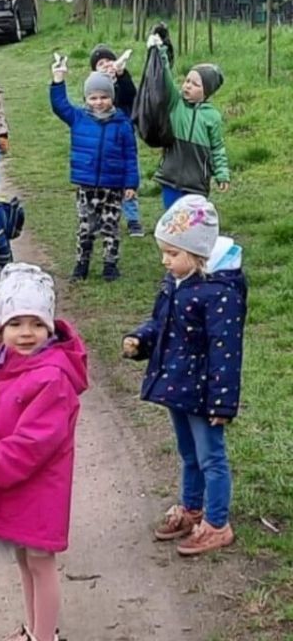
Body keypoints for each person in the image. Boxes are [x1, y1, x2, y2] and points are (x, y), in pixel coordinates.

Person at [0, 263, 88, 641]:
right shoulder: (7, 366)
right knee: (24, 559)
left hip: (38, 489)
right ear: (1, 327)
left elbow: (30, 445)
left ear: (50, 326)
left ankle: (45, 636)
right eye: (16, 323)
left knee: (40, 563)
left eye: (36, 323)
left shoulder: (52, 378)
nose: (26, 332)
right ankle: (34, 630)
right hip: (15, 487)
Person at [122, 195, 246, 556]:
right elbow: (161, 323)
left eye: (172, 253)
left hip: (204, 390)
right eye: (164, 252)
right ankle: (192, 508)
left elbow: (226, 352)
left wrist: (222, 402)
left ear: (197, 253)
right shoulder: (176, 281)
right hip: (177, 383)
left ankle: (217, 524)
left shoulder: (220, 293)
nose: (165, 260)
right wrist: (140, 339)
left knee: (211, 457)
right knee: (188, 452)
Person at [50, 55, 139, 282]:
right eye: (93, 97)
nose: (99, 102)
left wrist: (131, 184)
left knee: (111, 225)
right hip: (86, 184)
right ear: (86, 98)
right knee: (86, 227)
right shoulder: (78, 118)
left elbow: (130, 155)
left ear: (112, 97)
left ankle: (110, 264)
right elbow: (60, 106)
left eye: (104, 97)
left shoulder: (123, 123)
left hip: (113, 186)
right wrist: (58, 80)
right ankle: (82, 264)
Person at [146, 33, 229, 210]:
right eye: (187, 81)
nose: (187, 86)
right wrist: (160, 52)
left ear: (206, 91)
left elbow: (217, 148)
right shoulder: (176, 103)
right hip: (171, 177)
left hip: (196, 183)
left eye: (195, 84)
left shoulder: (212, 116)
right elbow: (166, 79)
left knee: (191, 220)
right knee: (173, 216)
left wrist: (222, 174)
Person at [90, 44, 143, 237]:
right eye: (100, 63)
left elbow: (132, 97)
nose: (106, 65)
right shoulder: (93, 88)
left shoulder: (122, 82)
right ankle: (102, 217)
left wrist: (121, 75)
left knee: (129, 179)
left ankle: (133, 219)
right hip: (102, 143)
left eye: (109, 61)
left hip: (124, 141)